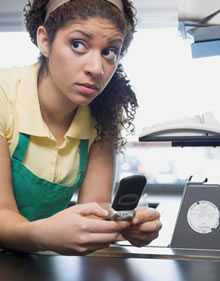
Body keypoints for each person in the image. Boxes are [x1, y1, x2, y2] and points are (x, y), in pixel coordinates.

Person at [0, 0, 161, 255]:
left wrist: (124, 227)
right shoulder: (4, 96)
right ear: (44, 40)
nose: (96, 69)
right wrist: (43, 235)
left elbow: (94, 212)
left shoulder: (103, 116)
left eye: (109, 51)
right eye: (78, 44)